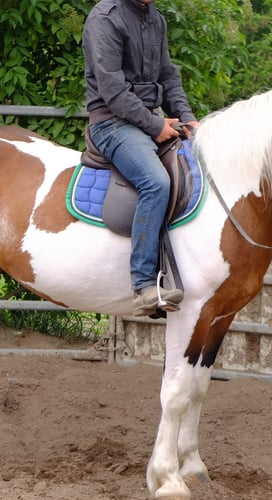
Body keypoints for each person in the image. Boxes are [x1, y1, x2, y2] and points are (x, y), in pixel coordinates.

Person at [82, 0, 200, 316]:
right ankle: (144, 284)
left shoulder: (155, 18)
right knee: (156, 182)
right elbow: (112, 89)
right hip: (112, 122)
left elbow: (168, 75)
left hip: (150, 119)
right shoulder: (104, 18)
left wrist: (186, 119)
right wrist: (155, 125)